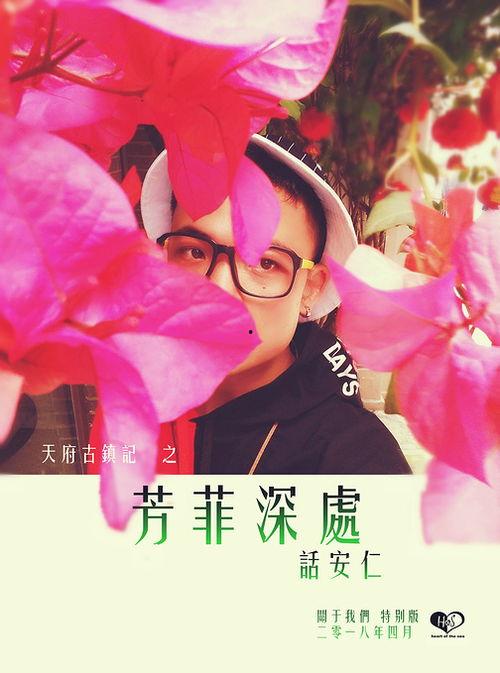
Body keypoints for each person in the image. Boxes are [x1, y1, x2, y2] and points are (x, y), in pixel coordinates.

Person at [135, 133, 412, 475]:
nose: (218, 290)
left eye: (265, 263)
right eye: (193, 251)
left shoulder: (356, 460)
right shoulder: (138, 396)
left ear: (310, 289)